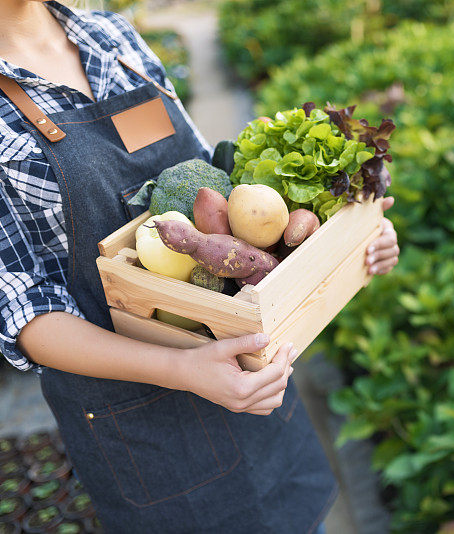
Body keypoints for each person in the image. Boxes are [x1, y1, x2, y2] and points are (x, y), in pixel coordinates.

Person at [0, 0, 400, 532]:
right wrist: (182, 368)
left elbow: (211, 174)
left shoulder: (107, 36)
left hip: (249, 375)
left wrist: (347, 239)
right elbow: (26, 312)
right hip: (139, 413)